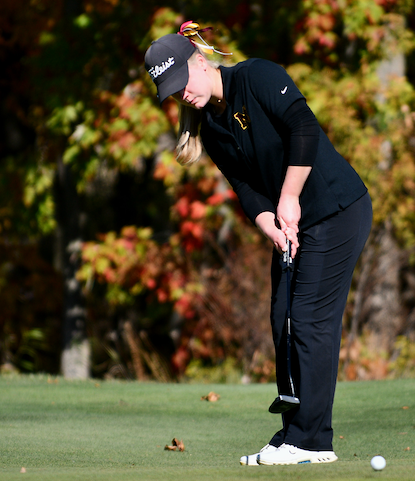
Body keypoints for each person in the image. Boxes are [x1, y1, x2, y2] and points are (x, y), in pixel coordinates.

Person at [144, 22, 373, 466]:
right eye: (170, 91)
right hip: (292, 223)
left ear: (199, 61)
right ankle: (293, 432)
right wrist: (269, 220)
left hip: (336, 209)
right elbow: (245, 185)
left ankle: (312, 442)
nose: (181, 95)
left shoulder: (257, 77)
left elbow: (303, 129)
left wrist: (287, 198)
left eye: (181, 83)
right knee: (283, 316)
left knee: (309, 320)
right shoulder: (210, 125)